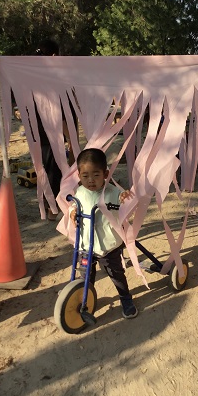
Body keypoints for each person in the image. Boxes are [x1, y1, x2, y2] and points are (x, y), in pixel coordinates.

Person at [70, 148, 138, 319]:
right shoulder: (80, 192)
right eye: (85, 176)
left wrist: (125, 198)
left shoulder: (113, 192)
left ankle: (125, 298)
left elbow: (125, 203)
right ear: (79, 175)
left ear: (105, 174)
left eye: (96, 175)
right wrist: (72, 212)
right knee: (85, 275)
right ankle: (85, 299)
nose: (91, 180)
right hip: (86, 245)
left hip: (108, 246)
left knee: (116, 275)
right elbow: (75, 205)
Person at [35, 39, 77, 220]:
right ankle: (54, 208)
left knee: (47, 165)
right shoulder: (55, 79)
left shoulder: (35, 78)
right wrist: (73, 141)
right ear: (54, 55)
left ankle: (50, 204)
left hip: (41, 133)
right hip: (53, 132)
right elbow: (62, 115)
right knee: (54, 167)